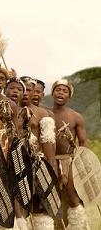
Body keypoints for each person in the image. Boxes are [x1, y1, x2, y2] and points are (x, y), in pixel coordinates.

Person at [20, 76, 58, 229]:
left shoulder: (42, 113)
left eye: (29, 89)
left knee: (40, 202)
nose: (25, 92)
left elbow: (48, 141)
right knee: (19, 202)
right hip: (17, 163)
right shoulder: (10, 109)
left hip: (39, 163)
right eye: (22, 88)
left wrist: (51, 166)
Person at [51, 79, 90, 229]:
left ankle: (78, 226)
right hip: (51, 161)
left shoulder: (75, 117)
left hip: (69, 161)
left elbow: (83, 142)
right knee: (53, 198)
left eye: (64, 91)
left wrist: (83, 162)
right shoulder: (45, 113)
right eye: (58, 89)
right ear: (53, 92)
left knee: (73, 197)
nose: (61, 92)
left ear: (69, 96)